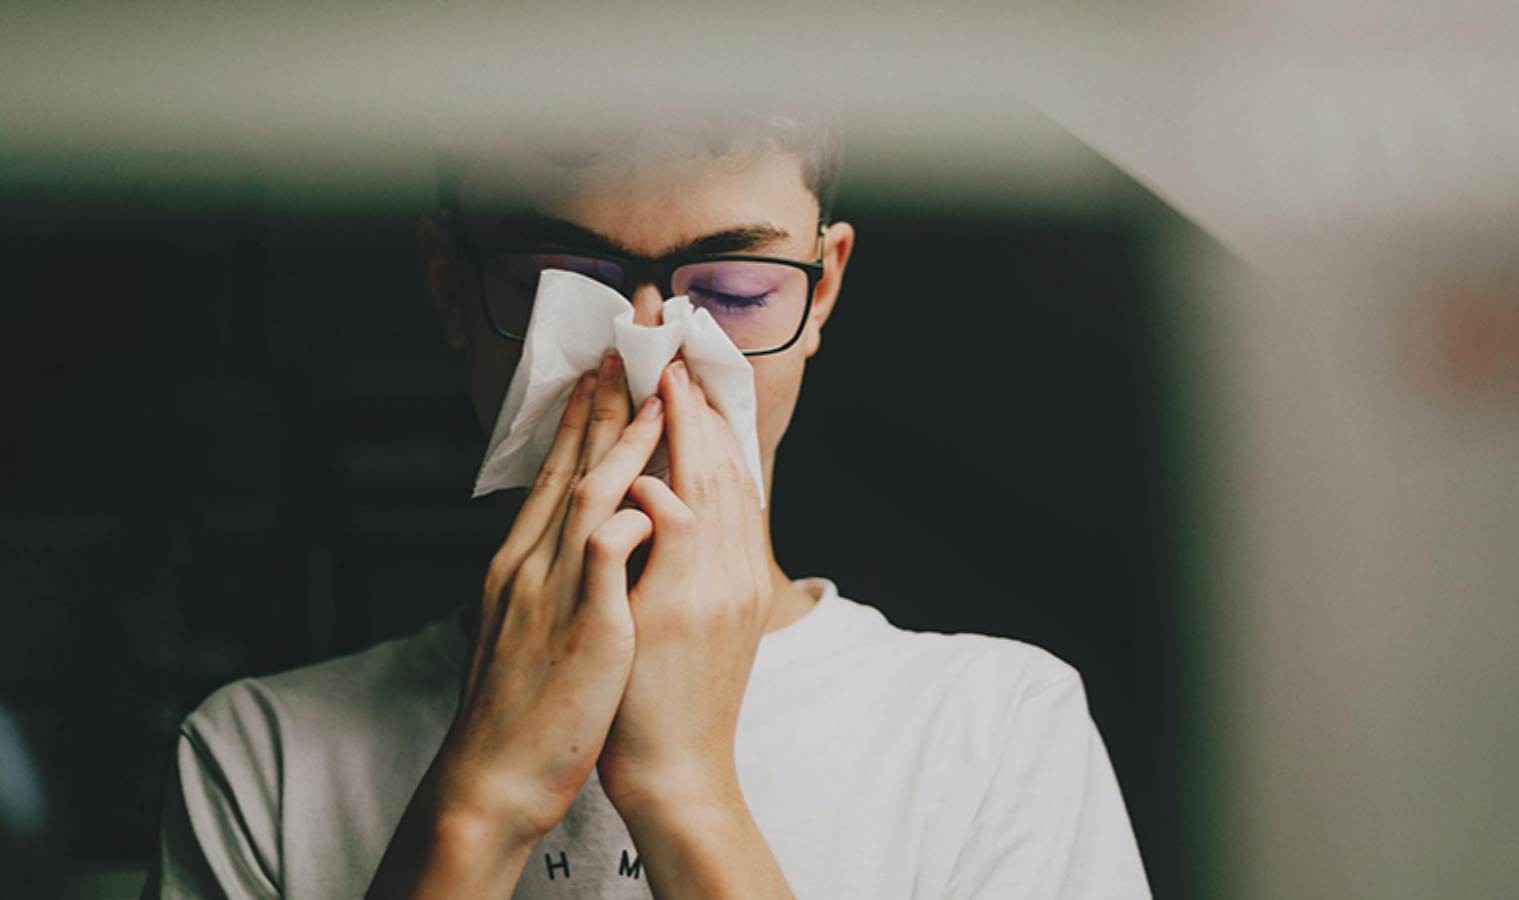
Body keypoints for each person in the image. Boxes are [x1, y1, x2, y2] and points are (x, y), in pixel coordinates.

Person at [142, 109, 1151, 898]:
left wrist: (687, 794)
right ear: (451, 288)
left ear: (821, 292)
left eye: (733, 292)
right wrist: (482, 804)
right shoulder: (262, 758)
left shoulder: (995, 732)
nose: (646, 354)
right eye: (560, 283)